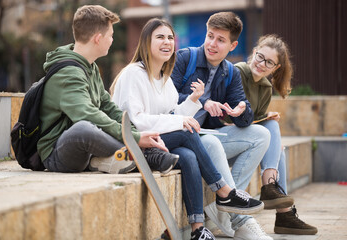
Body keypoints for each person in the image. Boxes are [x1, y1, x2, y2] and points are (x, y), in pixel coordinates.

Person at [111, 18, 264, 240]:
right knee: (188, 131)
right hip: (133, 143)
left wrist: (193, 100)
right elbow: (136, 120)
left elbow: (175, 113)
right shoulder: (133, 73)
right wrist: (180, 122)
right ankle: (223, 191)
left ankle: (198, 228)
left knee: (189, 156)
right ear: (146, 42)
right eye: (160, 37)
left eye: (170, 38)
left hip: (158, 142)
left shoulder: (164, 78)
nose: (167, 42)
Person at [37, 5, 178, 175]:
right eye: (111, 35)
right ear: (98, 38)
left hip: (88, 150)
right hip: (58, 154)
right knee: (84, 127)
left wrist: (134, 132)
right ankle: (146, 156)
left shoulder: (89, 67)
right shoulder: (68, 73)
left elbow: (108, 108)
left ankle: (111, 159)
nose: (112, 40)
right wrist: (136, 139)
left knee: (102, 122)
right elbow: (86, 114)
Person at [171, 12, 273, 240]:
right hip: (181, 136)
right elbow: (165, 98)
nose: (212, 44)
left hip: (206, 135)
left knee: (262, 135)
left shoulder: (229, 72)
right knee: (213, 144)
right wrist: (203, 102)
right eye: (210, 36)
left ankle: (225, 206)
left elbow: (244, 112)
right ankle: (241, 221)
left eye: (220, 40)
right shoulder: (185, 59)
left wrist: (241, 111)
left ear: (232, 45)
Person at [231, 34, 317, 235]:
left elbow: (251, 125)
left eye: (269, 62)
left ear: (276, 68)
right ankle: (277, 200)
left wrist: (263, 118)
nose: (261, 64)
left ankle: (282, 209)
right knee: (270, 128)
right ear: (254, 53)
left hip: (245, 142)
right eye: (260, 57)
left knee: (278, 147)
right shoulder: (237, 73)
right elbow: (230, 118)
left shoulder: (265, 88)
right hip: (224, 139)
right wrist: (262, 120)